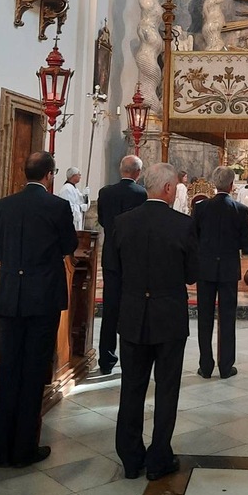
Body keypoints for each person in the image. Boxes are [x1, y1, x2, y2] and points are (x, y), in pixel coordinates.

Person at [0, 151, 78, 468]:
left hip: (10, 297)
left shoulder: (3, 205)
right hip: (42, 298)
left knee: (9, 369)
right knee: (33, 372)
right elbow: (69, 245)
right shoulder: (57, 206)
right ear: (49, 175)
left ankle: (3, 447)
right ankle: (24, 448)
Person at [112, 162, 198, 480]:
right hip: (169, 316)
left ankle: (131, 458)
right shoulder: (183, 225)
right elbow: (191, 274)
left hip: (133, 314)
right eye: (174, 187)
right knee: (167, 388)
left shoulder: (122, 222)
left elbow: (114, 269)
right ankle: (159, 457)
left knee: (132, 387)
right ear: (167, 188)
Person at [192, 166, 248, 379]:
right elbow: (245, 243)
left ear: (214, 184)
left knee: (204, 317)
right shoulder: (240, 209)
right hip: (228, 268)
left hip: (205, 268)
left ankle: (205, 365)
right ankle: (226, 366)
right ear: (231, 185)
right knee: (227, 318)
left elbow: (193, 237)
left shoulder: (201, 208)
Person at [97, 155, 147, 375]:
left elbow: (102, 220)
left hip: (111, 256)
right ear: (137, 173)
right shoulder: (141, 194)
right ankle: (131, 358)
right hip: (133, 257)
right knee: (133, 308)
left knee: (110, 308)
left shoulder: (105, 192)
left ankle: (106, 358)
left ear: (121, 170)